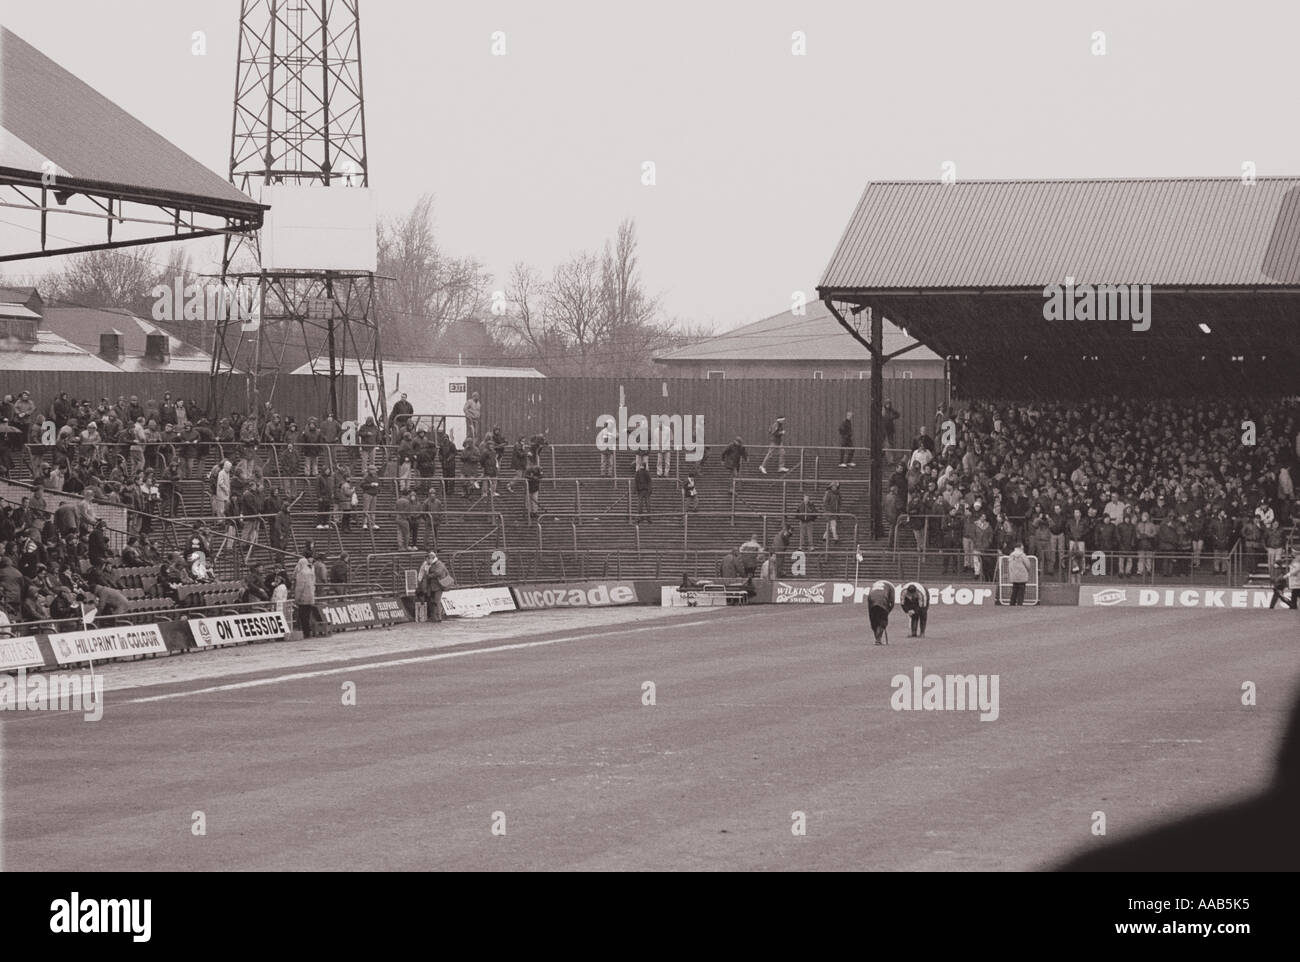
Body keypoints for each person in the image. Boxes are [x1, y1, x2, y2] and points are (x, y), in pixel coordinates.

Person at [417, 551, 453, 622]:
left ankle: (438, 617)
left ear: (431, 558)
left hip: (438, 586)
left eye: (427, 559)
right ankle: (434, 617)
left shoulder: (439, 564)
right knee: (432, 601)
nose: (426, 561)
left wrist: (428, 575)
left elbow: (438, 573)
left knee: (437, 601)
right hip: (431, 586)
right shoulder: (429, 564)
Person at [866, 579, 895, 645]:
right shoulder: (891, 587)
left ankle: (877, 639)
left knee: (874, 622)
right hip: (883, 602)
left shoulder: (874, 585)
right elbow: (892, 602)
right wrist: (888, 611)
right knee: (882, 622)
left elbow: (869, 598)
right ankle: (878, 640)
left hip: (872, 602)